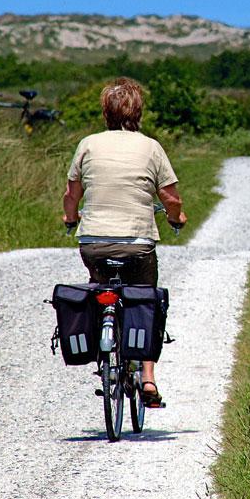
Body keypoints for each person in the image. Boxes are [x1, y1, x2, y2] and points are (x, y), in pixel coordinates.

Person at [62, 77, 186, 408]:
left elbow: (71, 195)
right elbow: (170, 198)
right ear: (138, 112)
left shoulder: (87, 144)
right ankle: (148, 378)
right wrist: (177, 218)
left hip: (94, 243)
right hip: (137, 243)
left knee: (98, 285)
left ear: (106, 112)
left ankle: (104, 350)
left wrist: (70, 219)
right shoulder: (151, 147)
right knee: (145, 299)